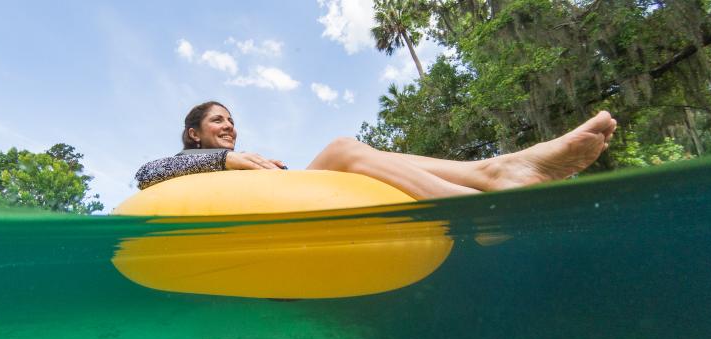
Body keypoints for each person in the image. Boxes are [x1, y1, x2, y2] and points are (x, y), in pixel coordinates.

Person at [135, 101, 617, 199]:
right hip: (262, 244)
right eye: (218, 120)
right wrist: (228, 160)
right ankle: (486, 186)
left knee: (351, 150)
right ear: (193, 133)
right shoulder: (181, 166)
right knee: (344, 147)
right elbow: (145, 173)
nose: (230, 127)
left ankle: (496, 170)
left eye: (233, 122)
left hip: (289, 214)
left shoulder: (244, 160)